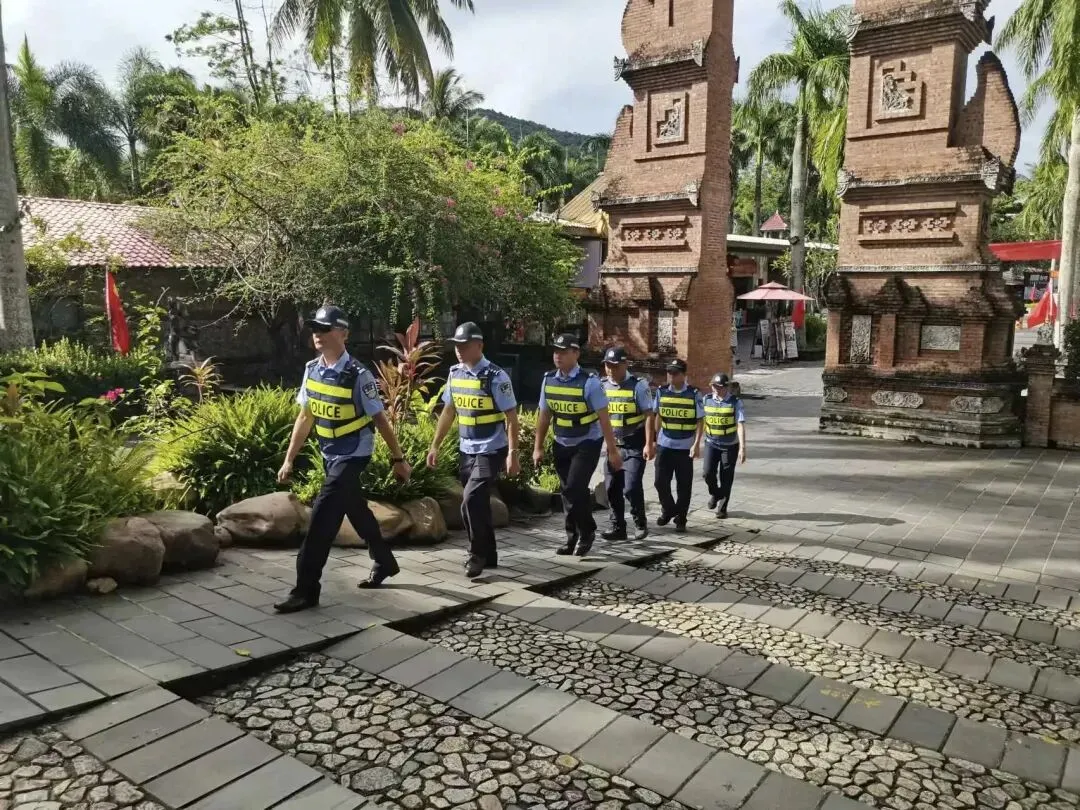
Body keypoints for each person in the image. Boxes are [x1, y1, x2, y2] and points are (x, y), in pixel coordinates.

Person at [274, 305, 411, 614]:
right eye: (315, 329)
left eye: (325, 329)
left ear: (343, 334)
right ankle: (384, 561)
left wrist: (398, 459)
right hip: (329, 454)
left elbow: (380, 420)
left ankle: (306, 590)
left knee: (322, 518)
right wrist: (289, 459)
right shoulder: (312, 369)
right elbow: (305, 417)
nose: (318, 334)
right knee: (355, 509)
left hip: (353, 454)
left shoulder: (358, 375)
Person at [427, 322, 520, 579]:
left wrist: (513, 453)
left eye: (464, 345)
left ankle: (476, 554)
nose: (459, 350)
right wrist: (435, 445)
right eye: (456, 345)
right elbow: (448, 412)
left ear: (479, 346)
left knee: (470, 499)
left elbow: (511, 418)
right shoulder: (455, 374)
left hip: (491, 447)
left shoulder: (496, 376)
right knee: (476, 503)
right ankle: (490, 553)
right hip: (466, 448)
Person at [534, 333, 622, 557]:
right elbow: (544, 415)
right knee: (568, 492)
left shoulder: (589, 382)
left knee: (574, 487)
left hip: (587, 441)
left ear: (576, 354)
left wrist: (612, 451)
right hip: (561, 441)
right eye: (556, 351)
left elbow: (604, 418)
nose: (558, 356)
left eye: (563, 352)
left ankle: (587, 531)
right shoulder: (548, 380)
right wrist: (538, 447)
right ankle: (572, 538)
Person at [599, 347, 656, 541]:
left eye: (615, 366)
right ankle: (618, 528)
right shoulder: (602, 386)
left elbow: (649, 415)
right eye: (607, 365)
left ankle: (640, 522)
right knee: (611, 487)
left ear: (625, 365)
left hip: (634, 445)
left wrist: (649, 443)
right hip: (613, 446)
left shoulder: (638, 386)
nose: (610, 370)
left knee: (630, 487)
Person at [652, 358, 704, 532]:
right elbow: (658, 416)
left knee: (684, 485)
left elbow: (700, 420)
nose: (671, 376)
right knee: (660, 482)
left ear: (683, 374)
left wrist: (696, 444)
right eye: (669, 373)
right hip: (665, 444)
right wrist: (654, 440)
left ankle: (681, 518)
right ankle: (668, 509)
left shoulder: (693, 393)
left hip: (685, 446)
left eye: (675, 373)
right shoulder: (661, 392)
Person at [702, 372, 747, 518]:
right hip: (711, 443)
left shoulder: (735, 402)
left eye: (719, 387)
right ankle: (715, 493)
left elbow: (740, 425)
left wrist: (742, 448)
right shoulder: (706, 400)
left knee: (726, 477)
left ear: (726, 387)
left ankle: (722, 508)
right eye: (714, 386)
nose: (716, 389)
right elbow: (700, 420)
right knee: (707, 473)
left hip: (729, 445)